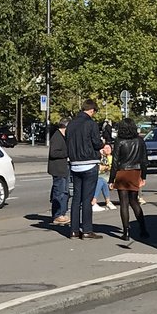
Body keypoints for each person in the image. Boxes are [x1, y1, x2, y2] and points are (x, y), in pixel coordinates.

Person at [66, 99, 109, 240]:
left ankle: (73, 230)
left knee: (76, 198)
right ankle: (86, 230)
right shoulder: (91, 124)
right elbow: (96, 144)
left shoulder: (71, 124)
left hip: (74, 164)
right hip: (89, 163)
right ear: (92, 110)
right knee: (87, 199)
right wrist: (103, 144)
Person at [109, 118, 149, 241]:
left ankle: (126, 232)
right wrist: (143, 176)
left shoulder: (119, 141)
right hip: (135, 172)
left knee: (124, 203)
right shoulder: (140, 141)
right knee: (134, 201)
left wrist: (111, 179)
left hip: (122, 171)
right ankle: (143, 229)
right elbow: (144, 160)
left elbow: (115, 162)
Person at [47, 118, 70, 225]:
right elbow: (53, 153)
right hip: (58, 169)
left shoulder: (63, 137)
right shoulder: (57, 137)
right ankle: (57, 215)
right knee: (59, 192)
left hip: (64, 168)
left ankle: (62, 213)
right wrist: (67, 152)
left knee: (65, 192)